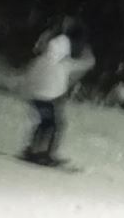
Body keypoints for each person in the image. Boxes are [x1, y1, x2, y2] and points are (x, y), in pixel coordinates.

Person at [21, 21, 94, 165]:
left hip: (38, 94)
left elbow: (38, 70)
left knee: (46, 123)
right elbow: (76, 65)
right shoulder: (62, 58)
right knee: (54, 125)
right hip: (45, 96)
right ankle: (45, 154)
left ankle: (33, 150)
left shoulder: (50, 53)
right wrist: (89, 60)